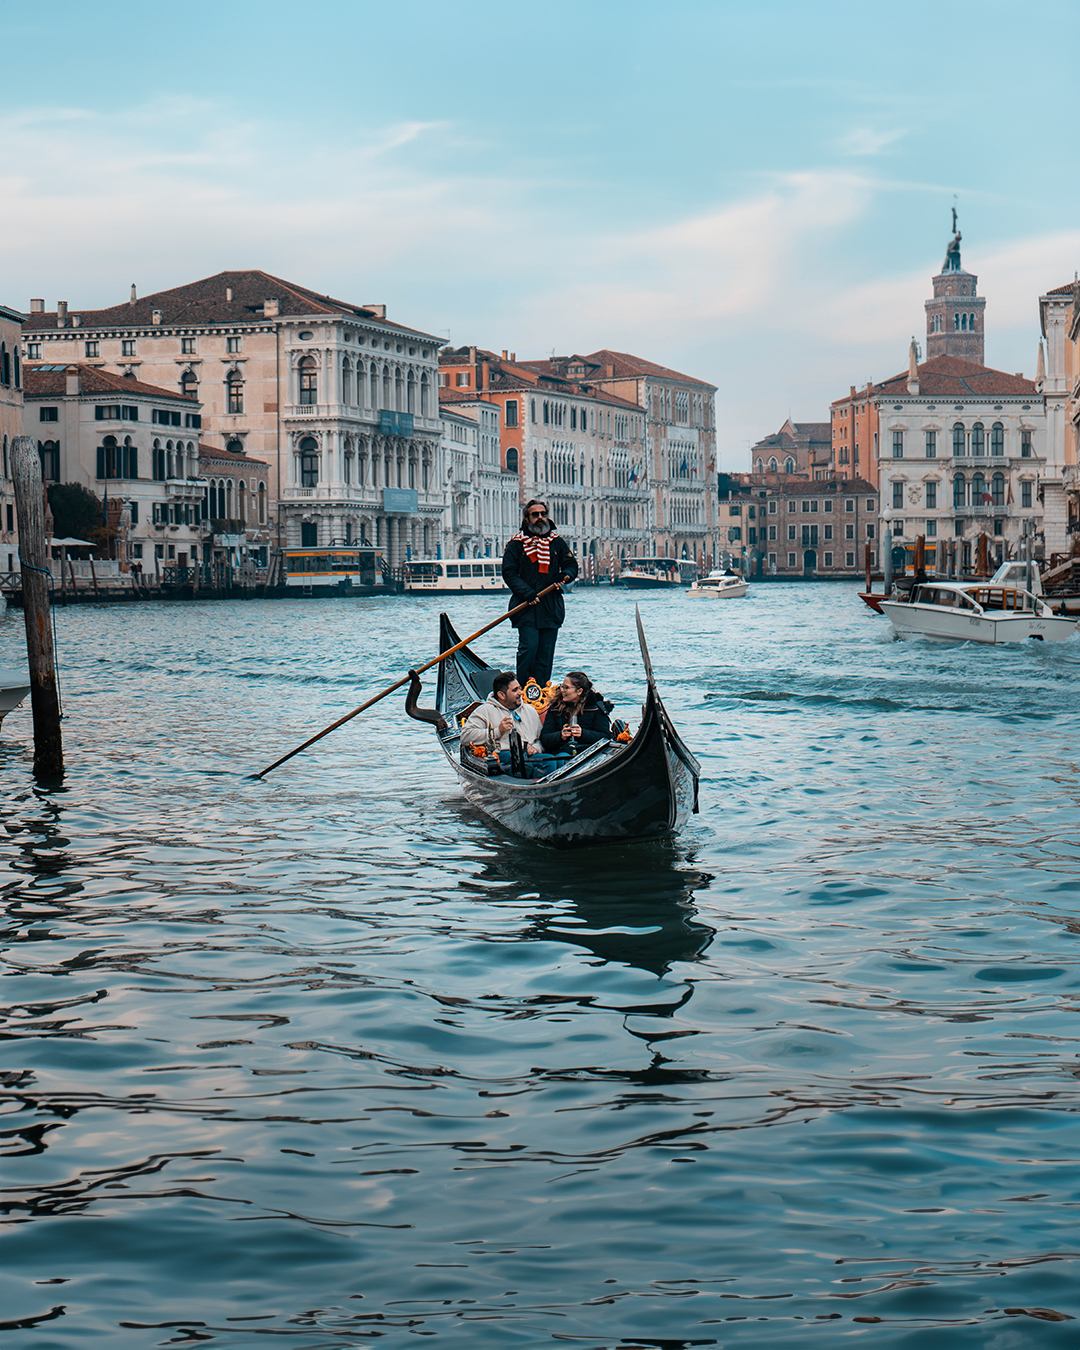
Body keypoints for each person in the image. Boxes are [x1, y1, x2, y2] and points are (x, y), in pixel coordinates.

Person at [502, 500, 579, 686]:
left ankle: (541, 693)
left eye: (543, 514)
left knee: (545, 653)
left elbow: (571, 566)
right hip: (525, 606)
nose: (540, 518)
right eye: (535, 514)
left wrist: (564, 576)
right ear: (527, 518)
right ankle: (523, 689)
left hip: (550, 607)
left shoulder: (557, 542)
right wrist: (527, 592)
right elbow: (509, 573)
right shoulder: (516, 545)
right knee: (529, 648)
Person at [459, 670, 556, 779]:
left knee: (551, 761)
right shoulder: (484, 710)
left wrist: (535, 748)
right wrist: (498, 731)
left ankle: (543, 787)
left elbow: (541, 738)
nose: (520, 693)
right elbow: (465, 736)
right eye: (515, 690)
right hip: (503, 757)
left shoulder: (530, 710)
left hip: (529, 756)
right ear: (501, 695)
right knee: (523, 765)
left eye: (520, 688)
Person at [539, 671, 613, 757]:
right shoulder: (555, 708)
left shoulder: (596, 708)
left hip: (590, 754)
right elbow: (545, 738)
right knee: (562, 756)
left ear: (579, 691)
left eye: (566, 688)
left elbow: (605, 736)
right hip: (561, 751)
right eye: (562, 686)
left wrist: (583, 734)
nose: (562, 690)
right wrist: (561, 736)